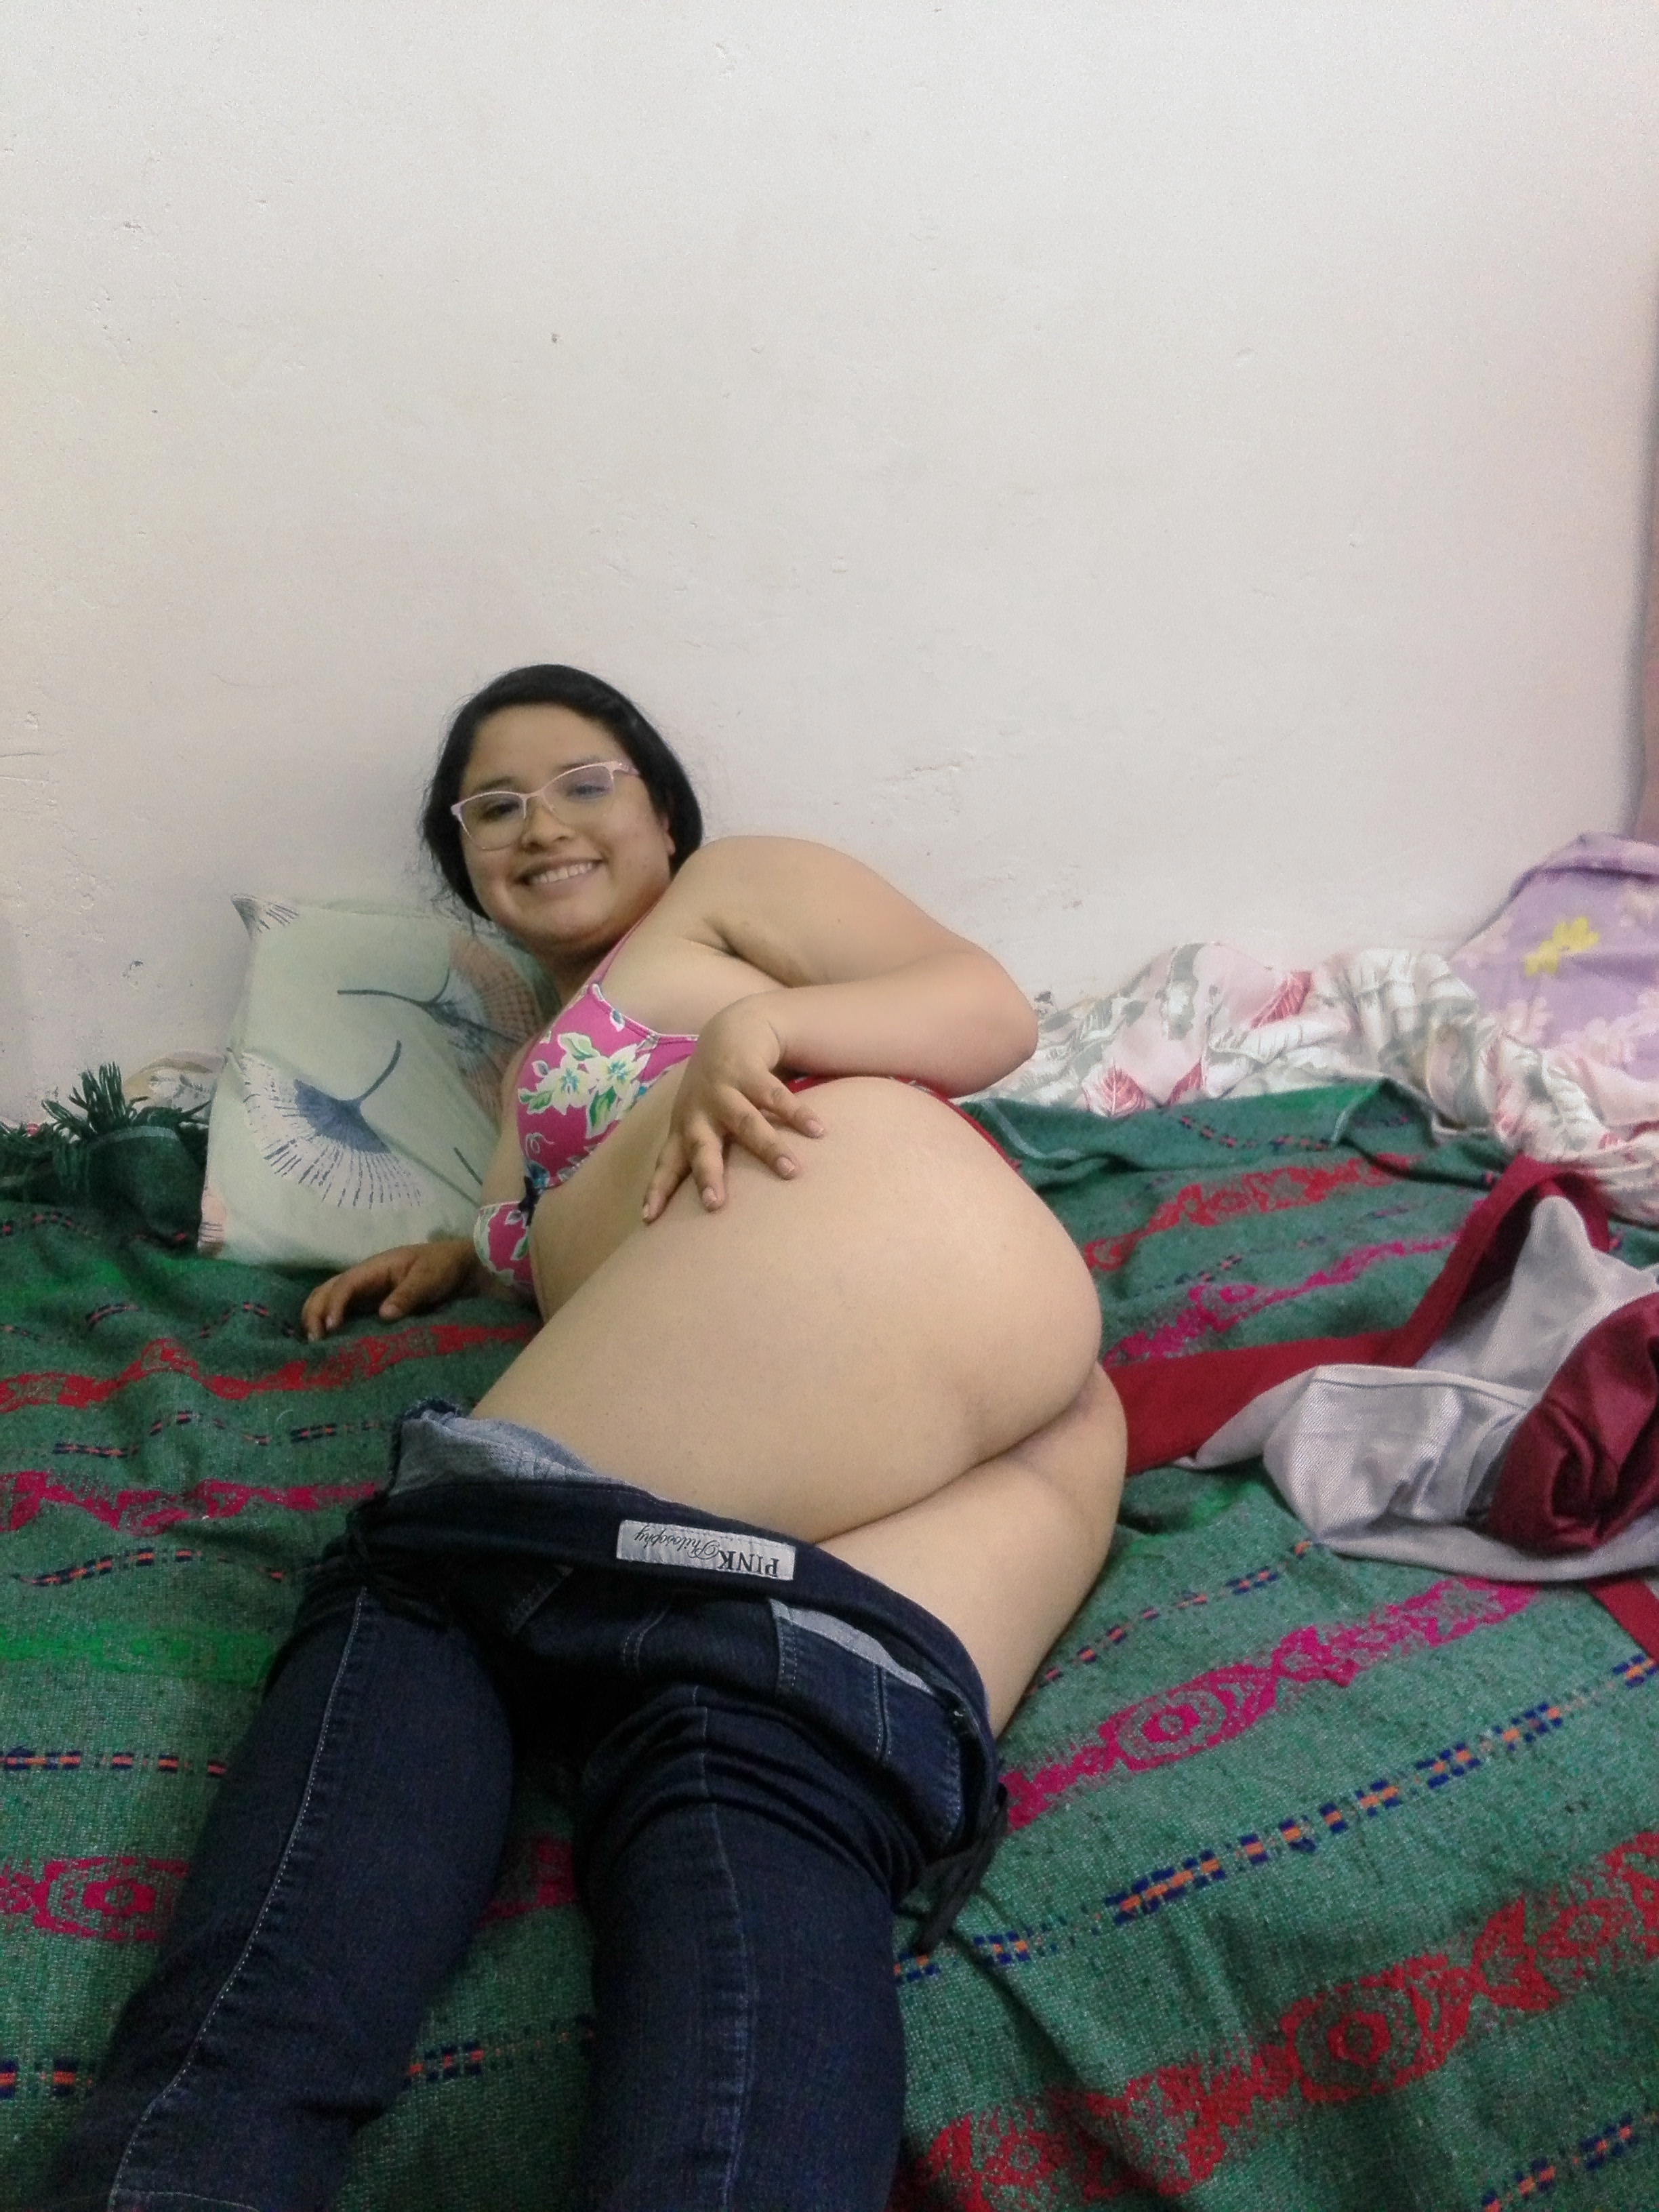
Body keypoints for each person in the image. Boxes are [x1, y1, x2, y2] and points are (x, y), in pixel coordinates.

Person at [45, 665, 1126, 2212]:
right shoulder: (527, 1068)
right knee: (763, 1744)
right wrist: (462, 1251)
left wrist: (766, 1019)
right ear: (465, 859)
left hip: (878, 1240)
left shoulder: (735, 896)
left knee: (432, 1573)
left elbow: (989, 1010)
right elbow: (569, 1244)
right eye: (493, 807)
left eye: (582, 782)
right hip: (990, 1409)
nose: (539, 824)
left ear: (664, 812)